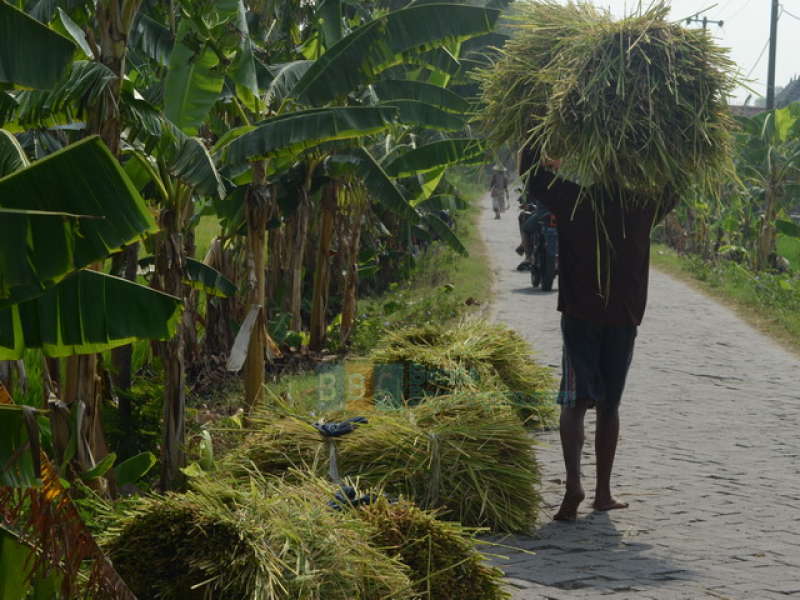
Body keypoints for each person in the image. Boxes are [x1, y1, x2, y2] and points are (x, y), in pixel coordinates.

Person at [520, 147, 676, 521]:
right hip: (623, 316)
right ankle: (603, 493)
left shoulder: (573, 198)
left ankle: (574, 482)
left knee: (573, 402)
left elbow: (529, 174)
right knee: (610, 406)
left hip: (580, 314)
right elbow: (677, 178)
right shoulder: (645, 205)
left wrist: (532, 129)